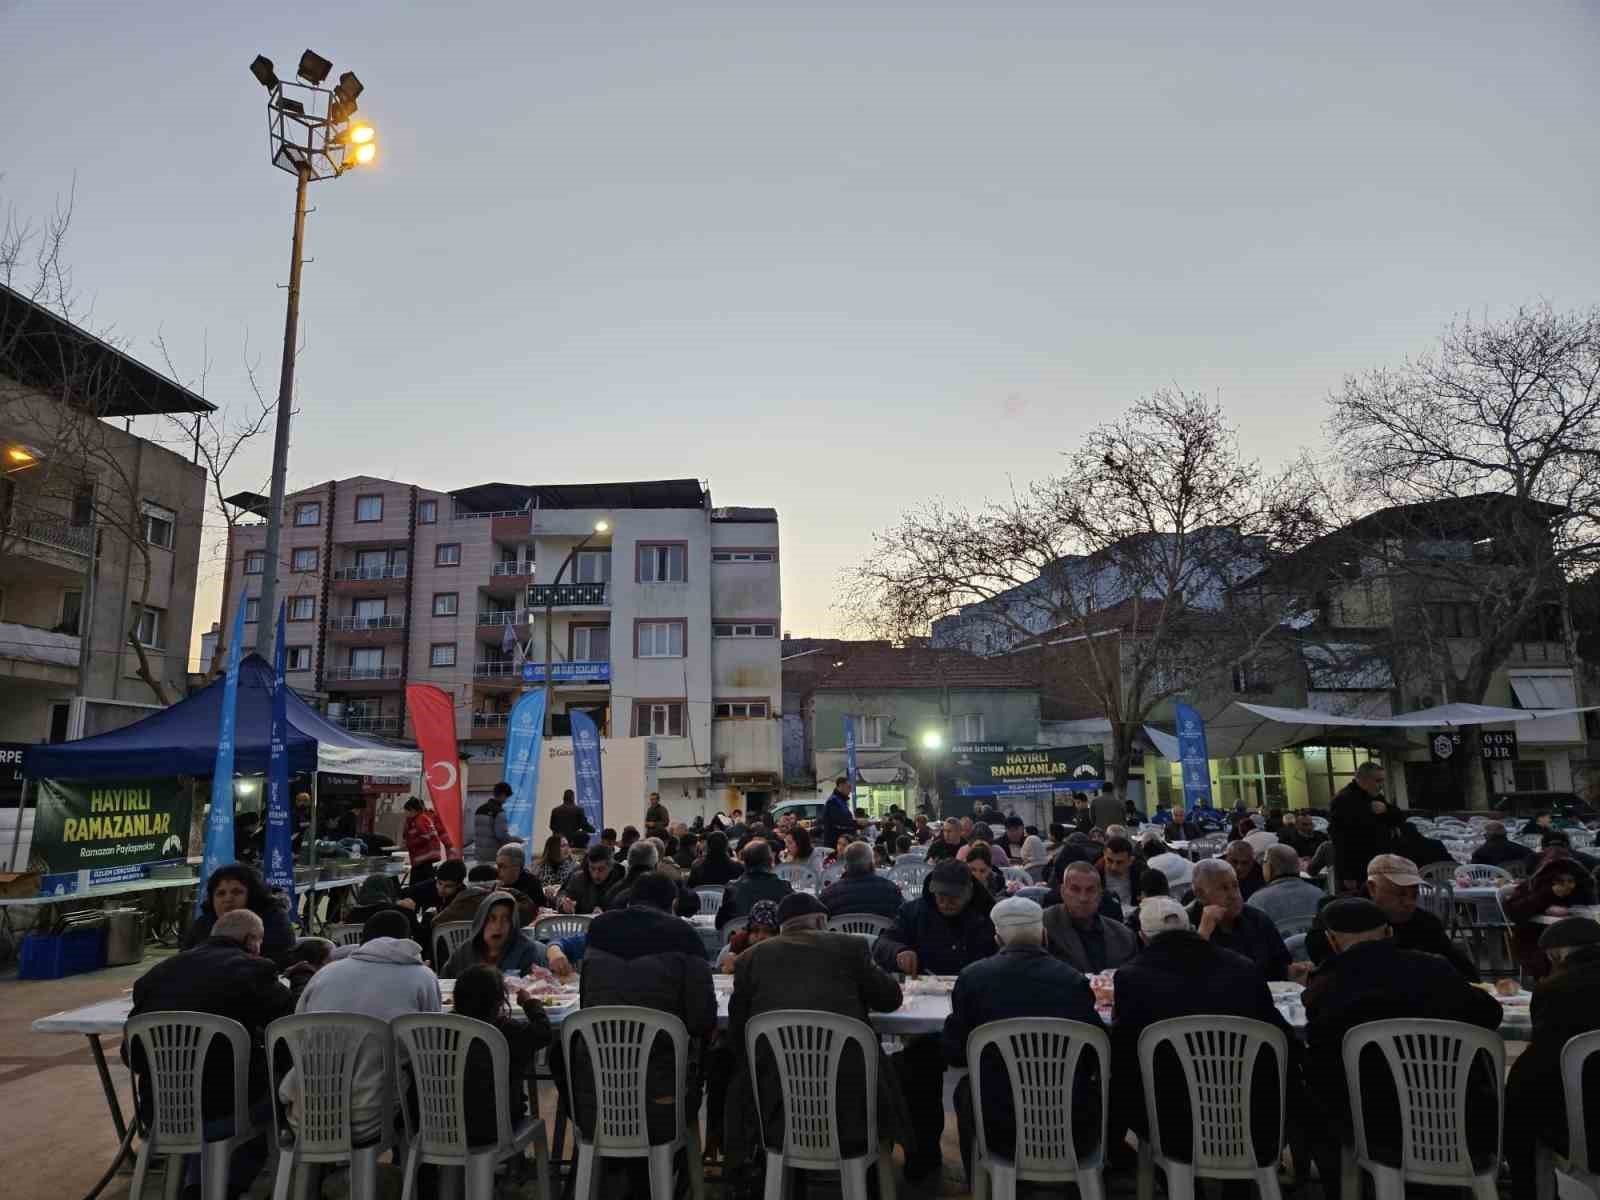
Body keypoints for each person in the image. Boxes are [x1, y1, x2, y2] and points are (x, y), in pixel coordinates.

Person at [1301, 897, 1502, 1184]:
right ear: (1388, 933)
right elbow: (1489, 1014)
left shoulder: (1326, 987)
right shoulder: (1435, 969)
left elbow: (1322, 1056)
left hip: (1374, 1127)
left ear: (1331, 941)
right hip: (1460, 1119)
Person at [724, 892, 906, 1187]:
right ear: (822, 921)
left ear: (782, 927)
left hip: (775, 1104)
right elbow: (890, 998)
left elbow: (737, 1033)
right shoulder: (851, 947)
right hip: (852, 1102)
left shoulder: (750, 959)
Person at [1111, 897, 1290, 1169]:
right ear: (1191, 928)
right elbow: (1283, 1039)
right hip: (1253, 1116)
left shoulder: (1131, 978)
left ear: (1143, 937)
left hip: (1171, 1122)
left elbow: (1125, 1054)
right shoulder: (1242, 968)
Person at [127, 910, 293, 1198]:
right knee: (279, 1084)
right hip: (225, 1110)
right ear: (252, 940)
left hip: (159, 1111)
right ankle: (229, 1187)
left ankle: (195, 1186)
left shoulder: (156, 974)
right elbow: (287, 1029)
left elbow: (133, 1056)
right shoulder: (255, 969)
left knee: (208, 1085)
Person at [942, 896, 1102, 1182]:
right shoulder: (1073, 980)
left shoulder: (973, 979)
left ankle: (980, 1181)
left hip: (1000, 1124)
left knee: (965, 1090)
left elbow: (955, 1053)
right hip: (1072, 1122)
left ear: (997, 939)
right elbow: (1093, 1056)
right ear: (1043, 935)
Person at [571, 872, 715, 1172]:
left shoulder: (599, 930)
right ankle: (677, 1172)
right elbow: (702, 1019)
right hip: (662, 1103)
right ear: (673, 903)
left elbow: (588, 1003)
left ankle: (606, 1171)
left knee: (564, 1057)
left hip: (595, 1098)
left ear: (630, 899)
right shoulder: (685, 936)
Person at [873, 860, 997, 1181]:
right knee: (916, 1066)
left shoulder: (988, 915)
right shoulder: (914, 912)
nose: (946, 902)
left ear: (970, 892)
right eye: (940, 895)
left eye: (954, 897)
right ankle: (922, 1153)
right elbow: (882, 943)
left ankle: (986, 1160)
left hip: (977, 1015)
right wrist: (898, 951)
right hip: (927, 1011)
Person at [285, 909, 442, 1141]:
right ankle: (417, 1167)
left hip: (307, 1111)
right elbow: (430, 1048)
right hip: (373, 1114)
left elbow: (297, 1035)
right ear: (409, 940)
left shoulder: (325, 974)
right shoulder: (423, 976)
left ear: (362, 941)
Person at [1504, 918, 1600, 1200]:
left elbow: (1540, 1066)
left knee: (1521, 1103)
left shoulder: (1555, 991)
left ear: (1556, 955)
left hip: (1586, 1134)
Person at [1306, 854, 1481, 981]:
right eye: (1400, 894)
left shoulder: (1424, 923)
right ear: (1372, 888)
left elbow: (1466, 972)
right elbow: (1323, 963)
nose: (1408, 903)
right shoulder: (1338, 915)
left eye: (1414, 895)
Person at [450, 963, 554, 1147]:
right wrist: (531, 1004)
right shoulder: (508, 1031)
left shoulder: (446, 1031)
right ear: (500, 1001)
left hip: (448, 1124)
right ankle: (518, 1167)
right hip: (498, 1126)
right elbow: (544, 1033)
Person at [1186, 858, 1294, 982]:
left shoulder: (1257, 919)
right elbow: (1186, 976)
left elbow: (1280, 965)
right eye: (1224, 888)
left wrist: (1291, 972)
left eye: (1235, 885)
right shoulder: (1186, 923)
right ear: (1200, 895)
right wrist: (1203, 933)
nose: (1233, 895)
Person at [1504, 855, 1597, 980]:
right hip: (1537, 938)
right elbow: (1514, 911)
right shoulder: (1532, 888)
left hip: (1579, 937)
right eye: (1560, 881)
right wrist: (1546, 895)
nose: (1566, 885)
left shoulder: (1581, 892)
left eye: (1571, 881)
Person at [187, 863, 295, 964]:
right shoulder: (203, 923)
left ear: (253, 895)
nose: (228, 899)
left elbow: (282, 962)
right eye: (221, 893)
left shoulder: (274, 919)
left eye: (237, 892)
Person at [1043, 861, 1138, 973]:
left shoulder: (1124, 937)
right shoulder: (1044, 925)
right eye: (1075, 889)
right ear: (1063, 892)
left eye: (1090, 890)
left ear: (1100, 894)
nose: (1083, 898)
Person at [1328, 761, 1403, 892]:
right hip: (1357, 870)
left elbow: (1399, 817)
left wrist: (1386, 810)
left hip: (1377, 865)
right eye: (1378, 781)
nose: (1381, 785)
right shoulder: (1343, 800)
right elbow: (1340, 840)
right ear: (1363, 779)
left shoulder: (1375, 797)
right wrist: (1348, 874)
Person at [441, 890, 549, 978]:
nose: (498, 926)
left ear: (512, 924)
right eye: (491, 919)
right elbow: (444, 982)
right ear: (481, 921)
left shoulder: (526, 951)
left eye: (506, 919)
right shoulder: (465, 952)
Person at [716, 839, 794, 929]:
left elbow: (719, 924)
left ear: (744, 862)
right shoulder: (784, 886)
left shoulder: (732, 888)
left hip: (743, 941)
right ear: (770, 861)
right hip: (774, 940)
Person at [820, 839, 903, 918]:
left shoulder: (828, 895)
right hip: (881, 933)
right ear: (872, 864)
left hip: (841, 932)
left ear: (846, 865)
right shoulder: (892, 891)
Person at [1247, 843, 1324, 928]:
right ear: (1298, 866)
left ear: (1269, 868)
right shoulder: (1320, 895)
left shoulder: (1256, 901)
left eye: (1264, 863)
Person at [557, 844, 626, 914]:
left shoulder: (621, 882)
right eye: (592, 868)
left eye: (601, 869)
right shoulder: (578, 878)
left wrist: (606, 914)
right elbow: (563, 894)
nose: (596, 874)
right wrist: (563, 904)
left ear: (611, 867)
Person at [717, 898, 782, 971]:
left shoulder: (785, 950)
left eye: (767, 931)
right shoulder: (734, 947)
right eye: (755, 930)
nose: (760, 937)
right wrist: (726, 968)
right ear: (748, 931)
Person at [401, 796, 453, 884]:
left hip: (424, 856)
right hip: (422, 858)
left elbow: (425, 836)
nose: (406, 813)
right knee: (421, 879)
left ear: (414, 810)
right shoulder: (414, 819)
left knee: (420, 881)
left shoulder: (420, 819)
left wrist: (410, 843)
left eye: (407, 811)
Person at [491, 842, 545, 911]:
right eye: (497, 866)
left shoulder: (532, 885)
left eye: (502, 867)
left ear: (517, 868)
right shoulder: (497, 884)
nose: (497, 871)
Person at [282, 937, 334, 1003]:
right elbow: (300, 1001)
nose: (332, 963)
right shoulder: (304, 979)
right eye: (329, 959)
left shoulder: (300, 972)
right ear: (322, 961)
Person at [1098, 835, 1144, 909]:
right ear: (1104, 855)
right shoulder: (1095, 873)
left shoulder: (1141, 874)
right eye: (1109, 860)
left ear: (1130, 860)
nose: (1113, 867)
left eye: (1119, 862)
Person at [819, 775, 858, 851]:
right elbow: (841, 822)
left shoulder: (841, 801)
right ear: (841, 786)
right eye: (848, 787)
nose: (850, 790)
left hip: (841, 842)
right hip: (835, 844)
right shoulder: (833, 801)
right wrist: (857, 823)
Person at [473, 783, 510, 859]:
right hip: (493, 856)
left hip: (479, 855)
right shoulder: (499, 812)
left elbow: (474, 833)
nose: (506, 800)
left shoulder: (479, 809)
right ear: (503, 795)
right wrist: (516, 840)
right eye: (507, 797)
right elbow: (502, 835)